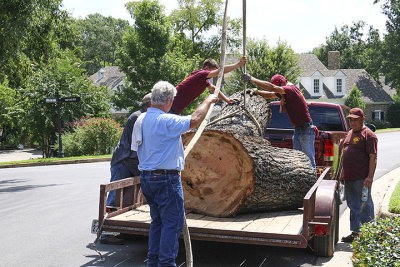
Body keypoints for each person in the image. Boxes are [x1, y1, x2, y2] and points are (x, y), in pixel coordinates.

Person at [137, 81, 218, 266]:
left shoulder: (144, 119)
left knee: (158, 222)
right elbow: (196, 119)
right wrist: (209, 100)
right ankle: (166, 264)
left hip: (148, 178)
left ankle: (154, 262)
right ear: (167, 100)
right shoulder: (165, 120)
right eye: (172, 99)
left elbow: (157, 139)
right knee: (172, 224)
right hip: (165, 179)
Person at [100, 93, 151, 245]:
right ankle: (106, 233)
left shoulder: (145, 117)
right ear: (148, 104)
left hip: (133, 161)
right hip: (124, 160)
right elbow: (136, 145)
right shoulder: (138, 117)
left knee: (131, 198)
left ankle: (127, 231)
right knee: (115, 196)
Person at [241, 73, 316, 169]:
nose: (277, 90)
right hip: (298, 129)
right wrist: (257, 92)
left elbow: (272, 88)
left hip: (306, 129)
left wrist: (252, 79)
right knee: (300, 160)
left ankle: (313, 182)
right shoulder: (285, 91)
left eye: (278, 87)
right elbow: (271, 95)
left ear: (283, 83)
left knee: (309, 160)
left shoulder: (291, 89)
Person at [340, 107, 377, 242]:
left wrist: (370, 177)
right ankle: (356, 233)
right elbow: (345, 154)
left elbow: (373, 157)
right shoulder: (350, 133)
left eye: (356, 120)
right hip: (349, 178)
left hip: (362, 179)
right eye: (351, 120)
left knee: (364, 204)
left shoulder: (369, 135)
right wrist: (343, 173)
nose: (353, 123)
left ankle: (368, 235)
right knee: (352, 205)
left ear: (363, 120)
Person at [170, 56, 246, 114]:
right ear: (206, 68)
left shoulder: (201, 79)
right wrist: (238, 64)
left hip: (172, 108)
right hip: (170, 108)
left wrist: (226, 99)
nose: (213, 76)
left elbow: (213, 89)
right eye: (213, 72)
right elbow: (219, 72)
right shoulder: (201, 74)